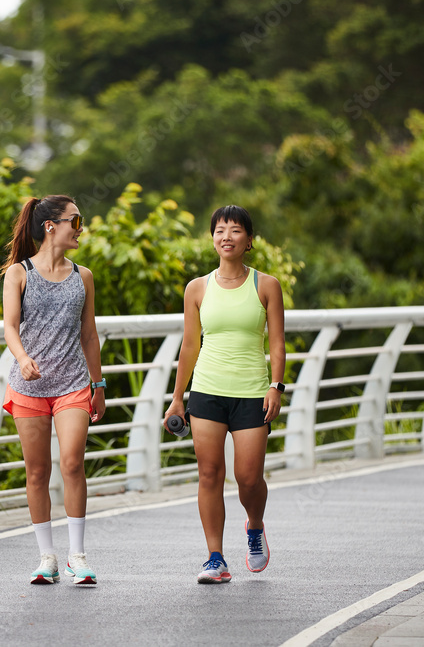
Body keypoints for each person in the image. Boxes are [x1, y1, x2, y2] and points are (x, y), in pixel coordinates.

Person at [163, 205, 286, 584]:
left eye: (235, 230)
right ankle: (215, 558)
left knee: (248, 478)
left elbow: (279, 344)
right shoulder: (197, 288)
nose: (227, 237)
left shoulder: (266, 285)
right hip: (207, 391)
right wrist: (177, 396)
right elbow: (189, 345)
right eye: (220, 230)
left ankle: (254, 525)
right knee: (209, 473)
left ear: (249, 240)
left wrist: (276, 386)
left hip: (252, 392)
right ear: (212, 237)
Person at [1, 194, 106, 585]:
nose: (81, 228)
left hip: (73, 385)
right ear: (51, 226)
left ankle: (77, 556)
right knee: (37, 472)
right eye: (75, 221)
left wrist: (99, 384)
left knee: (72, 463)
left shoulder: (84, 276)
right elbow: (10, 326)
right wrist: (23, 357)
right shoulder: (19, 274)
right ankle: (47, 557)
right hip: (29, 387)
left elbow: (89, 334)